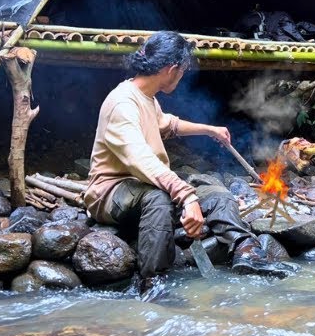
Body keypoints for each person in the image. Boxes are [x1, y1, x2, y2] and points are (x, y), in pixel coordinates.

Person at [83, 30, 284, 297]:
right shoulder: (122, 102)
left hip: (144, 185)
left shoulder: (146, 97)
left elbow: (168, 124)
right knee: (158, 198)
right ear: (171, 69)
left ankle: (246, 251)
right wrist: (186, 197)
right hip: (111, 192)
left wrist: (209, 130)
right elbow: (140, 159)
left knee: (217, 194)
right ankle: (152, 282)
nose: (182, 76)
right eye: (183, 71)